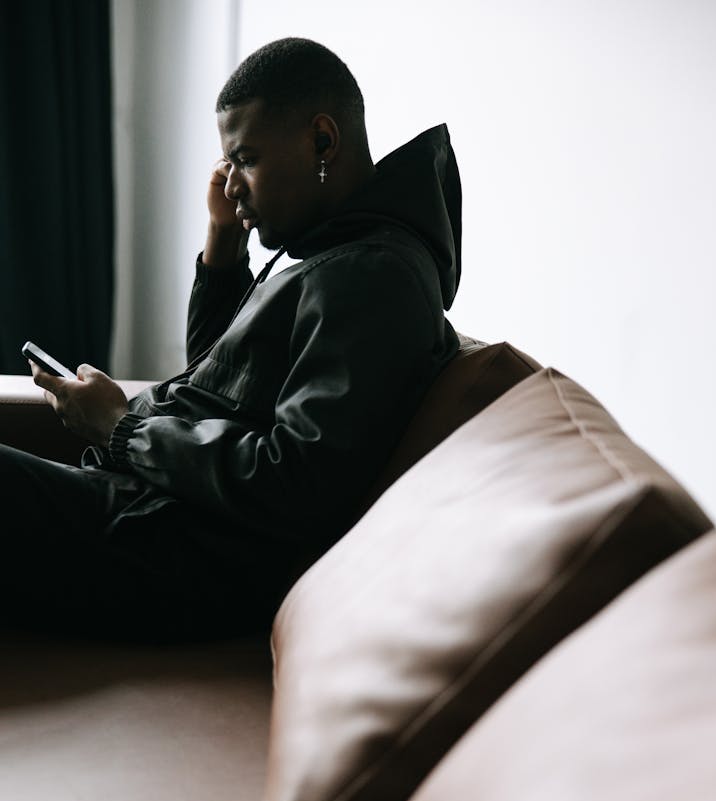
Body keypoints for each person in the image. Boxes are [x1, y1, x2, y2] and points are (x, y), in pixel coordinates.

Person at [7, 37, 462, 640]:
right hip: (158, 518)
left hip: (184, 553)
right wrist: (224, 246)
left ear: (322, 141)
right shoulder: (338, 250)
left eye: (246, 160)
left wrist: (124, 430)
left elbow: (295, 483)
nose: (232, 185)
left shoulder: (373, 275)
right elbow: (220, 378)